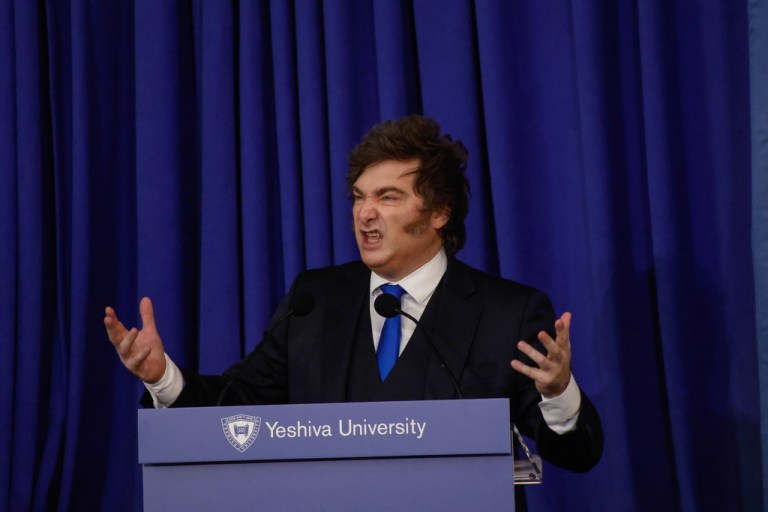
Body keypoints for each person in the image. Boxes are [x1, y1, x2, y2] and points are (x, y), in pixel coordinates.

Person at [105, 115, 603, 474]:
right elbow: (239, 407)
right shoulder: (315, 299)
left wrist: (557, 392)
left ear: (439, 213)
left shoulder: (507, 312)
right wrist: (163, 378)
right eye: (360, 198)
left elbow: (577, 454)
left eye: (388, 198)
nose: (365, 214)